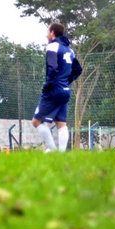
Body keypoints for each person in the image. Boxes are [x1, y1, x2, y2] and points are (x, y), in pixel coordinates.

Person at [32, 22, 82, 152]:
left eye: (47, 31)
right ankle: (61, 153)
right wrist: (66, 81)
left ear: (52, 32)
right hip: (65, 90)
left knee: (36, 122)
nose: (46, 34)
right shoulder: (69, 50)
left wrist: (48, 84)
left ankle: (53, 151)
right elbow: (78, 69)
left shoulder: (52, 46)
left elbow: (52, 67)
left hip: (53, 90)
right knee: (61, 123)